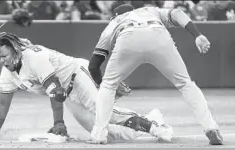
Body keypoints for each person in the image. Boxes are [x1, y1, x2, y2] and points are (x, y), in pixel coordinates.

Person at [0, 24, 173, 143]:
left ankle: (153, 126)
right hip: (66, 93)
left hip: (77, 76)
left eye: (3, 56)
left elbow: (55, 89)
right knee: (102, 133)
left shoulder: (33, 58)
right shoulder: (8, 73)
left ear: (15, 50)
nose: (2, 61)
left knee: (104, 112)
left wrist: (59, 123)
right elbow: (3, 104)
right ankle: (148, 121)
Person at [87, 4, 223, 145]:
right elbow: (177, 13)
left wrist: (103, 85)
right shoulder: (149, 10)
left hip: (127, 35)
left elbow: (93, 66)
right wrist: (197, 34)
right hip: (157, 33)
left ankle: (99, 134)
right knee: (185, 84)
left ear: (114, 16)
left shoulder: (114, 22)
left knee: (108, 85)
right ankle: (210, 127)